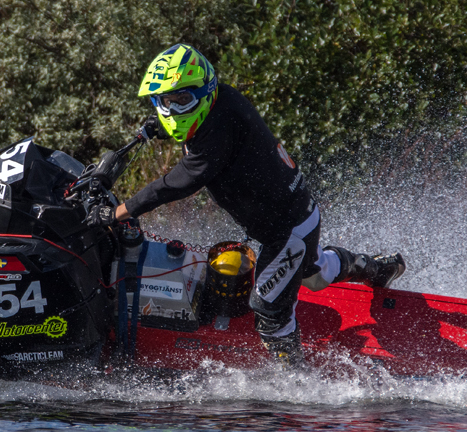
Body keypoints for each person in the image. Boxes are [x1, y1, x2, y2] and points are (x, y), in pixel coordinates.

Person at [87, 43, 405, 364]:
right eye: (164, 102)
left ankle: (297, 382)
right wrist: (162, 123)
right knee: (314, 275)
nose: (171, 110)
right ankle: (377, 267)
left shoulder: (219, 129)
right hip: (299, 213)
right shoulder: (221, 101)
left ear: (205, 91)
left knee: (268, 307)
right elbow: (193, 124)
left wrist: (118, 212)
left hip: (287, 229)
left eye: (181, 100)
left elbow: (178, 183)